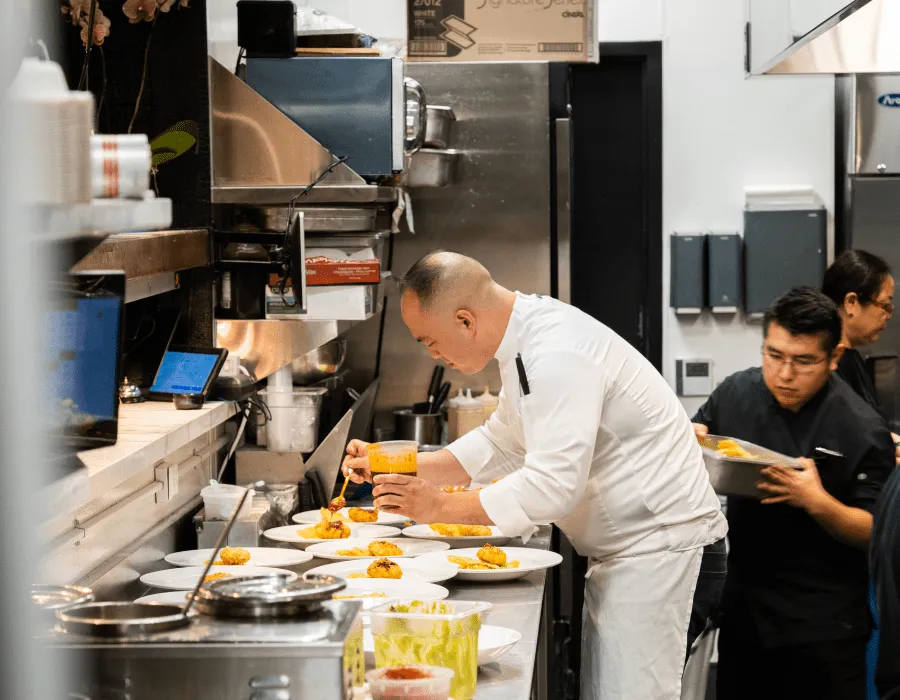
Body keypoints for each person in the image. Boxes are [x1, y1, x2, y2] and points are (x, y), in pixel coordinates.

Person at [342, 251, 728, 700]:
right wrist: (393, 463)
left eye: (430, 341)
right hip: (633, 554)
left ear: (465, 320)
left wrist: (438, 505)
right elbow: (501, 441)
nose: (435, 356)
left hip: (664, 554)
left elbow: (552, 488)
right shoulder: (523, 340)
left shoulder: (555, 352)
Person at [691, 287, 894, 700]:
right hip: (746, 616)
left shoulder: (862, 428)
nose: (784, 374)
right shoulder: (736, 393)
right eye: (774, 355)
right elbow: (699, 439)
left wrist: (819, 504)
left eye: (803, 362)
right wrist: (687, 440)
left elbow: (877, 534)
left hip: (825, 628)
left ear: (834, 357)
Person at [822, 249, 897, 700]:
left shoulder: (852, 362)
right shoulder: (829, 365)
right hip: (844, 539)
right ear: (852, 302)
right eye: (885, 304)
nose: (889, 315)